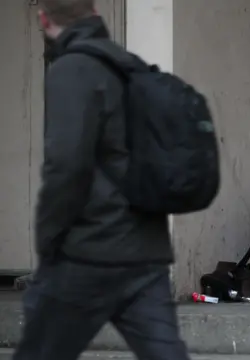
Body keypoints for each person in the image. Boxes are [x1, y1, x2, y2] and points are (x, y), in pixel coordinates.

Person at [13, 1, 190, 359]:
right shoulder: (131, 67)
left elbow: (66, 167)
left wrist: (48, 241)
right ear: (95, 11)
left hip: (88, 254)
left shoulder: (71, 71)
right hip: (146, 252)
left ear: (43, 19)